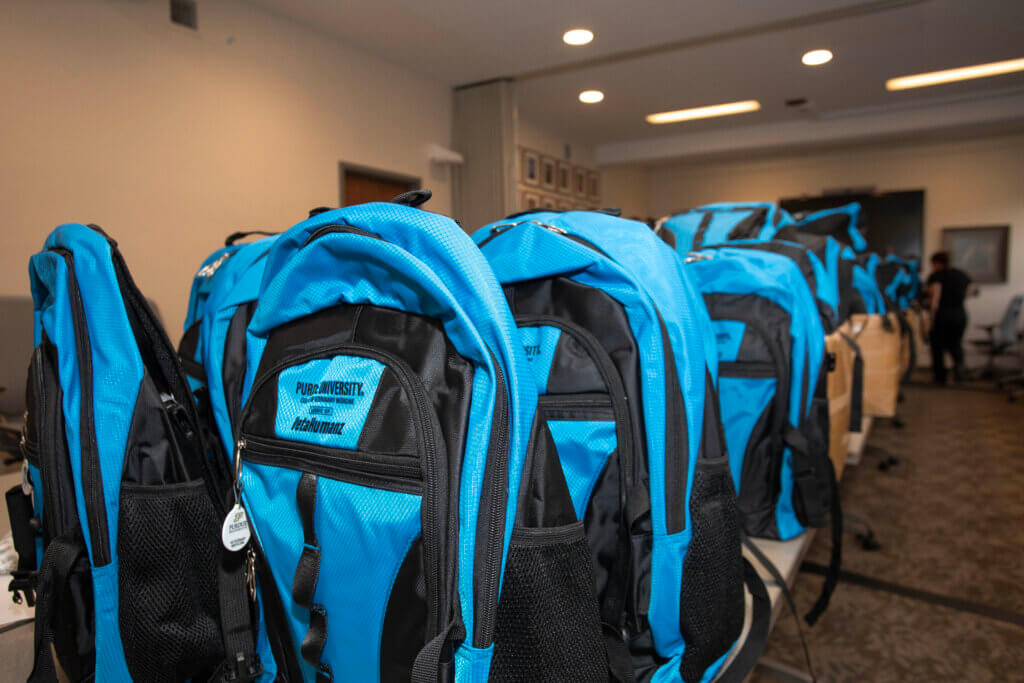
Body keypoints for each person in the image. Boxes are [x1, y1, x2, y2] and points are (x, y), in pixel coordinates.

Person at [926, 251, 971, 384]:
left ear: (936, 263)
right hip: (960, 314)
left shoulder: (936, 276)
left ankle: (940, 377)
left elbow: (935, 300)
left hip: (942, 315)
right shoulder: (961, 275)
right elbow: (969, 292)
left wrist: (931, 321)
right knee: (956, 344)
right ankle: (960, 373)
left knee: (937, 347)